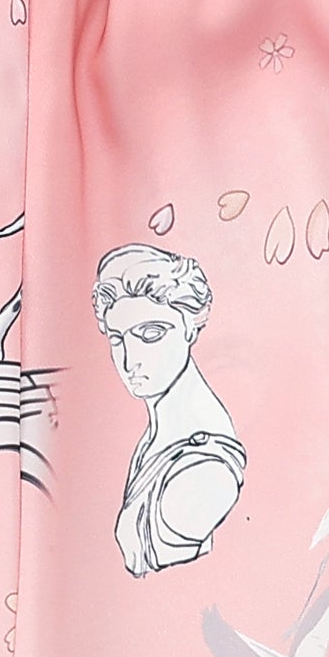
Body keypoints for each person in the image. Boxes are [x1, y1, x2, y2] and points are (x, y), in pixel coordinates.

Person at [94, 242, 243, 575]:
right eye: (117, 339)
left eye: (151, 333)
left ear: (190, 326)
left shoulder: (204, 468)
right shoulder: (158, 433)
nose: (129, 360)